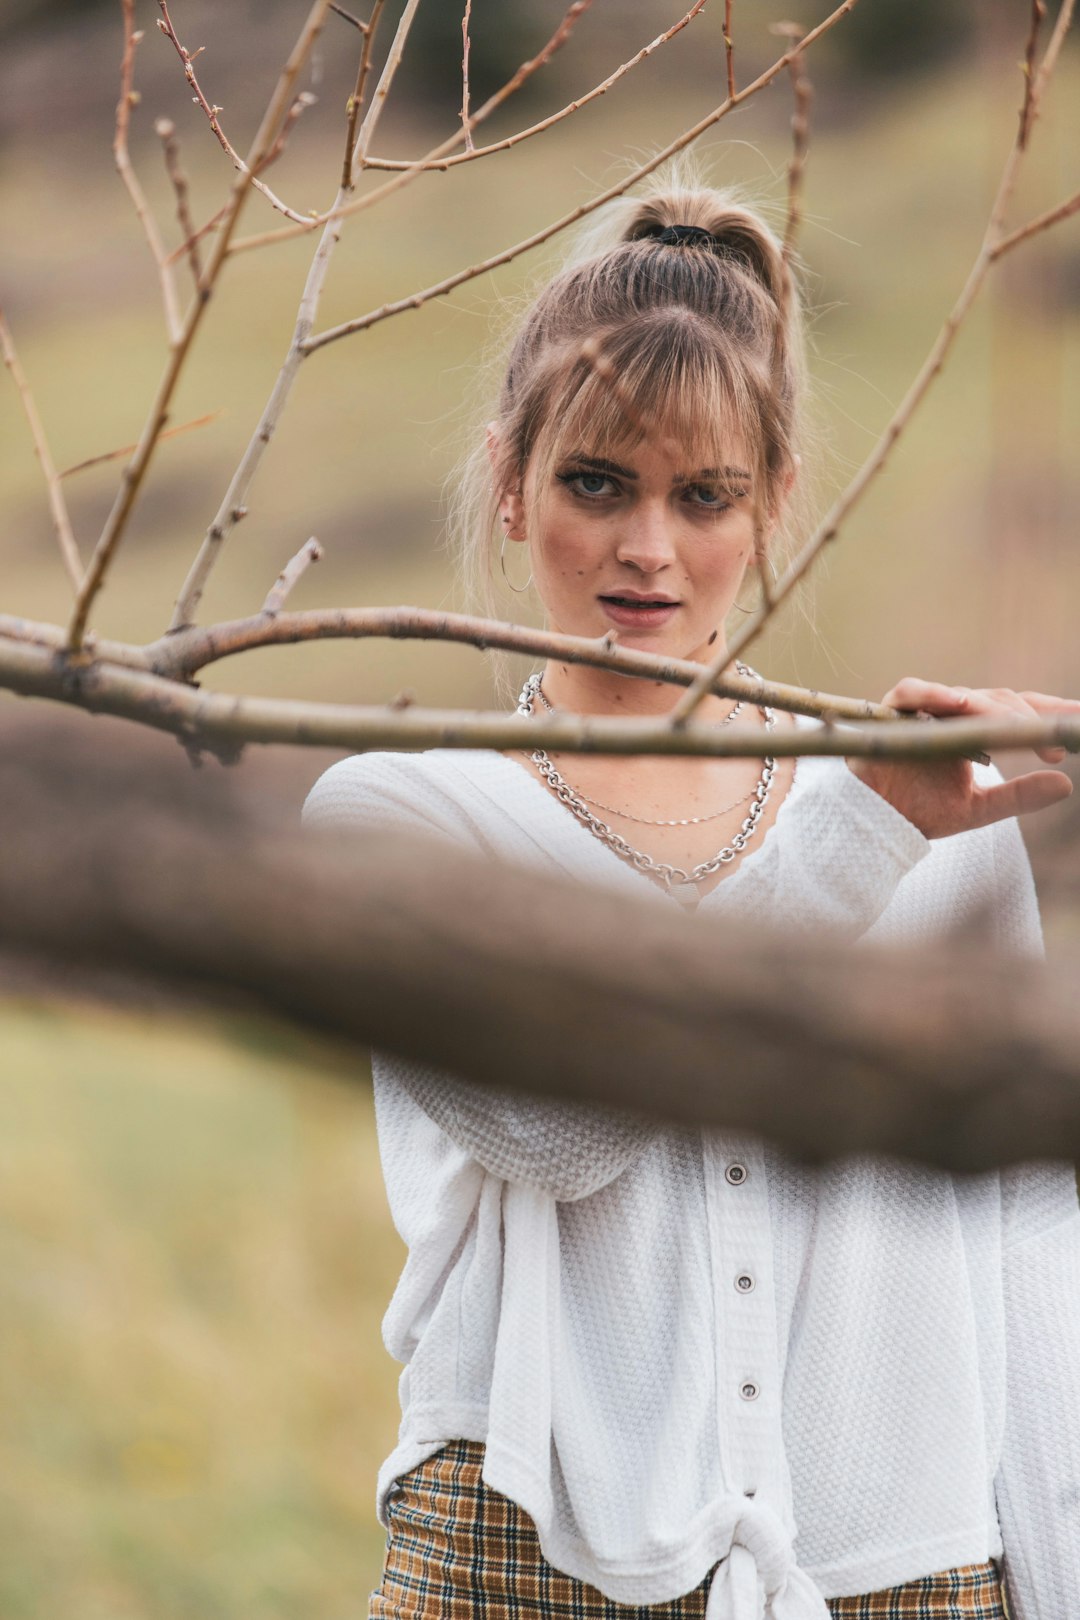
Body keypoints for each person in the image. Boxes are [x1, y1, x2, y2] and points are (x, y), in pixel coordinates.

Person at [303, 181, 1080, 1619]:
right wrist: (858, 844)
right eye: (599, 481)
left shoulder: (935, 822)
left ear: (774, 501)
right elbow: (552, 1121)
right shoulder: (401, 821)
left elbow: (1031, 1247)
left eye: (703, 495)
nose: (647, 548)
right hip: (521, 1551)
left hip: (905, 1571)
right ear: (512, 479)